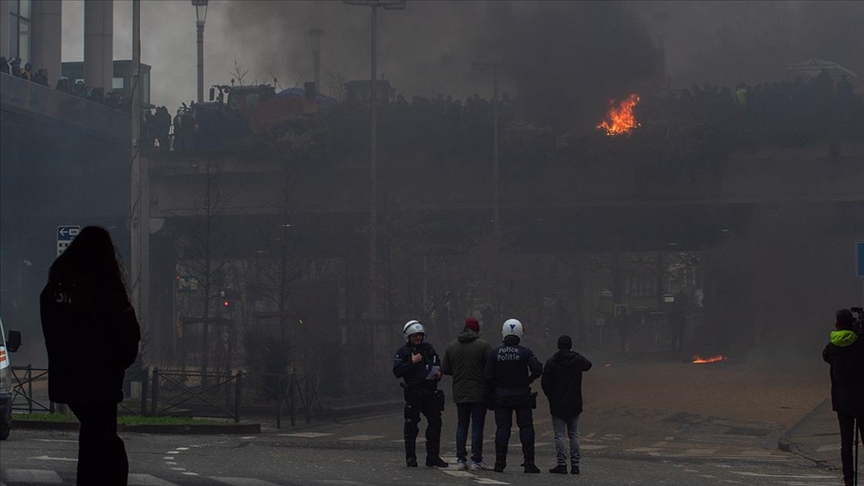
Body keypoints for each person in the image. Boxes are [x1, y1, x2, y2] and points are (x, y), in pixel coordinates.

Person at [40, 226, 141, 486]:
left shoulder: (54, 290)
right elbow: (128, 334)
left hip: (69, 380)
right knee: (105, 445)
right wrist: (117, 364)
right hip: (102, 380)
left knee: (92, 440)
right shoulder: (105, 290)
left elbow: (53, 334)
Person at [484, 318, 543, 473]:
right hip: (522, 395)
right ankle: (529, 463)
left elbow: (487, 376)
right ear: (520, 333)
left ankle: (499, 463)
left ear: (503, 333)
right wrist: (528, 380)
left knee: (503, 429)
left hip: (501, 396)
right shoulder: (525, 352)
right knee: (526, 428)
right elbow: (538, 369)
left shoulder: (496, 353)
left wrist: (494, 390)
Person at [392, 320, 448, 468]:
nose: (418, 338)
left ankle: (433, 457)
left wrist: (439, 373)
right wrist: (412, 362)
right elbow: (397, 371)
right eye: (414, 336)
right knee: (411, 425)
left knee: (435, 423)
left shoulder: (428, 348)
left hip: (430, 392)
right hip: (414, 392)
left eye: (420, 335)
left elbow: (437, 363)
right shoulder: (403, 352)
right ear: (408, 337)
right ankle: (411, 458)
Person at [441, 317, 492, 471]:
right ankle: (476, 460)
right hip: (479, 393)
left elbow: (445, 369)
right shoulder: (483, 345)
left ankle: (461, 459)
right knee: (477, 426)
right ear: (477, 330)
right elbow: (491, 368)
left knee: (462, 425)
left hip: (460, 391)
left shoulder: (452, 346)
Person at [822, 309, 864, 486]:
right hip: (862, 400)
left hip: (842, 401)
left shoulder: (831, 348)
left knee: (846, 443)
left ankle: (848, 479)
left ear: (837, 325)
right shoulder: (860, 344)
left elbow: (826, 357)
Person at [541, 335, 592, 475]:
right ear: (570, 345)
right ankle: (575, 465)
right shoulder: (577, 360)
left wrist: (550, 396)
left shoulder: (552, 361)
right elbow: (588, 365)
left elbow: (545, 382)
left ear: (558, 345)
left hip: (557, 402)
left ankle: (562, 464)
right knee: (574, 434)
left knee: (559, 435)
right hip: (574, 401)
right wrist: (574, 354)